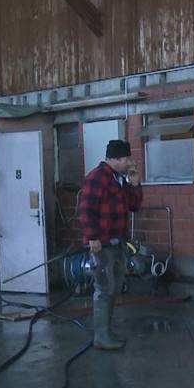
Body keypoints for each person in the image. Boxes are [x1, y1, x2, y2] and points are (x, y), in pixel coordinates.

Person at [78, 140, 142, 350]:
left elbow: (133, 206)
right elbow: (86, 210)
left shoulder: (118, 179)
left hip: (117, 242)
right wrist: (92, 237)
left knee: (114, 287)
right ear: (114, 158)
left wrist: (134, 184)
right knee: (105, 287)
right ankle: (101, 336)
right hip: (102, 243)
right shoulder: (97, 177)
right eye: (126, 159)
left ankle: (106, 332)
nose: (129, 163)